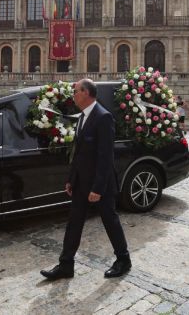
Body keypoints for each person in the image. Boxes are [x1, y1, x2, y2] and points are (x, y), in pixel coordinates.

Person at [41, 79, 130, 280]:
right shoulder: (82, 117)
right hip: (81, 182)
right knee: (74, 222)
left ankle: (123, 260)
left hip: (101, 184)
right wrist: (71, 179)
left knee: (110, 220)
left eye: (76, 91)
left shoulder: (103, 117)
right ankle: (66, 265)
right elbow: (79, 153)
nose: (73, 95)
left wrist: (97, 188)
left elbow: (105, 156)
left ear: (87, 93)